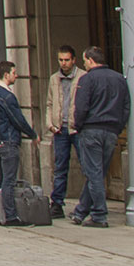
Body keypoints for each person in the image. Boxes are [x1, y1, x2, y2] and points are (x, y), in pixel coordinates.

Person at [71, 45, 130, 228]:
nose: (84, 64)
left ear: (90, 60)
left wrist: (78, 126)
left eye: (84, 60)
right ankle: (81, 211)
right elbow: (126, 106)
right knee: (97, 173)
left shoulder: (87, 79)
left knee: (94, 173)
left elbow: (81, 107)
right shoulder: (119, 78)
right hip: (111, 131)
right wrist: (118, 127)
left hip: (92, 130)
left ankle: (99, 215)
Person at [0, 59, 39, 226]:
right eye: (14, 73)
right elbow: (18, 120)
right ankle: (9, 216)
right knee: (8, 179)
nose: (16, 76)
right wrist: (32, 134)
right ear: (6, 75)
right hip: (7, 141)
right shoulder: (7, 97)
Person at [43, 45, 84, 219]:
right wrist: (50, 124)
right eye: (61, 60)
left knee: (86, 167)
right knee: (60, 168)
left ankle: (86, 203)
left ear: (74, 60)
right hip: (60, 129)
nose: (64, 63)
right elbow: (50, 103)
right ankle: (57, 203)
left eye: (67, 60)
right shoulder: (54, 78)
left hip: (78, 129)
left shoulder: (83, 77)